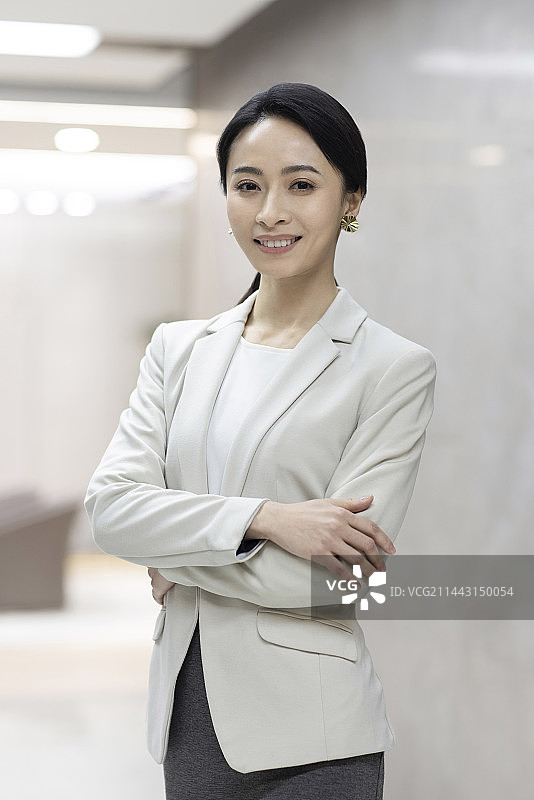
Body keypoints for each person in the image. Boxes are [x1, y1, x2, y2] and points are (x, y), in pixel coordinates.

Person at [84, 82, 437, 800]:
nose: (270, 211)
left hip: (318, 738)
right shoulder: (178, 350)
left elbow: (341, 583)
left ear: (351, 200)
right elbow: (112, 511)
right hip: (190, 716)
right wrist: (267, 520)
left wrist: (178, 560)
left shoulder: (392, 367)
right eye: (248, 185)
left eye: (301, 184)